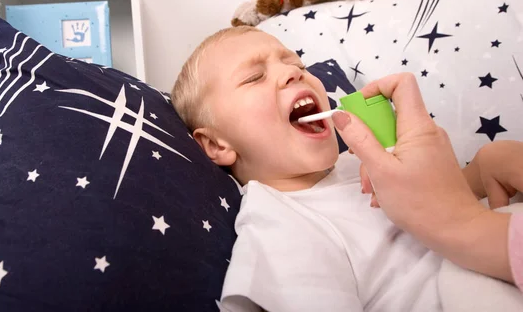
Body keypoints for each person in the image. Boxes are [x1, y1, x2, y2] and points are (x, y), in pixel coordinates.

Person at [172, 26, 492, 311]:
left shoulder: (358, 161)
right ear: (217, 146)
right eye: (255, 77)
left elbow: (445, 206)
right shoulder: (277, 224)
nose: (293, 73)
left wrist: (483, 168)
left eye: (297, 64)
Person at [332, 73, 523, 293]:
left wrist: (475, 178)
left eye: (298, 64)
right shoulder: (287, 221)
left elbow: (432, 197)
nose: (296, 73)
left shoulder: (351, 162)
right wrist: (461, 223)